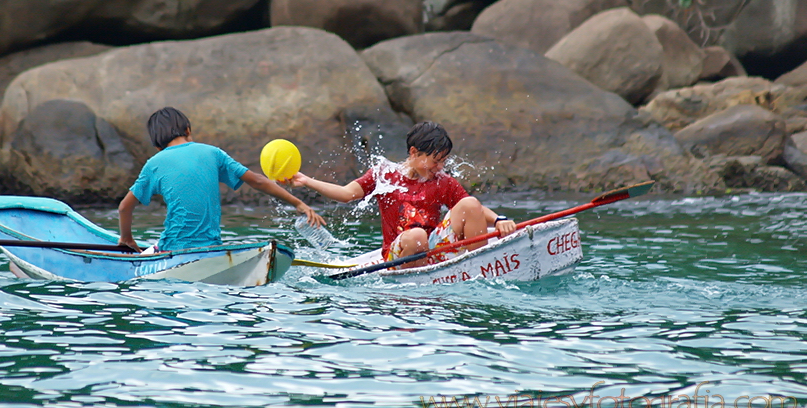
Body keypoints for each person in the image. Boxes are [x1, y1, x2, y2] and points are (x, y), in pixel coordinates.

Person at [287, 121, 516, 268]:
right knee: (416, 236)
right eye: (435, 161)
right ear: (414, 152)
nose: (440, 167)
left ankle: (482, 267)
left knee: (470, 203)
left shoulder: (441, 181)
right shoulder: (383, 174)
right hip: (399, 256)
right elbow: (347, 194)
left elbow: (473, 209)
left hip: (433, 252)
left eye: (443, 161)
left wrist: (499, 220)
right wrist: (307, 180)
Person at [118, 107, 324, 252]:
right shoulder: (212, 153)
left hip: (174, 248)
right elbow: (258, 181)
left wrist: (126, 238)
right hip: (211, 248)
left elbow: (124, 208)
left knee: (152, 250)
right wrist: (299, 203)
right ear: (188, 130)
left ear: (157, 146)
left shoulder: (154, 163)